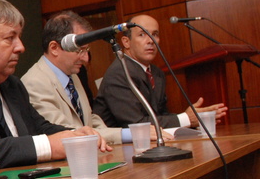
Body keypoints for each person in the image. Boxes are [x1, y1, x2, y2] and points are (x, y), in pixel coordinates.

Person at [0, 0, 110, 169]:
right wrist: (48, 146)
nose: (21, 47)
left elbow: (39, 127)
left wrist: (74, 135)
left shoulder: (12, 84)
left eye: (19, 37)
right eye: (10, 38)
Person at [22, 11, 169, 145]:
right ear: (54, 48)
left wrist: (122, 135)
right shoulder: (35, 83)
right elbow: (69, 133)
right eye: (79, 50)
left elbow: (90, 121)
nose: (86, 58)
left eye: (86, 50)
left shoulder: (72, 75)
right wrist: (130, 134)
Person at [92, 14, 227, 128]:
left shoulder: (156, 73)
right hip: (116, 147)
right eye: (142, 34)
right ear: (126, 42)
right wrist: (185, 119)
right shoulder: (119, 73)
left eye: (155, 34)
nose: (151, 40)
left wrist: (192, 119)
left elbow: (161, 115)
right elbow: (135, 124)